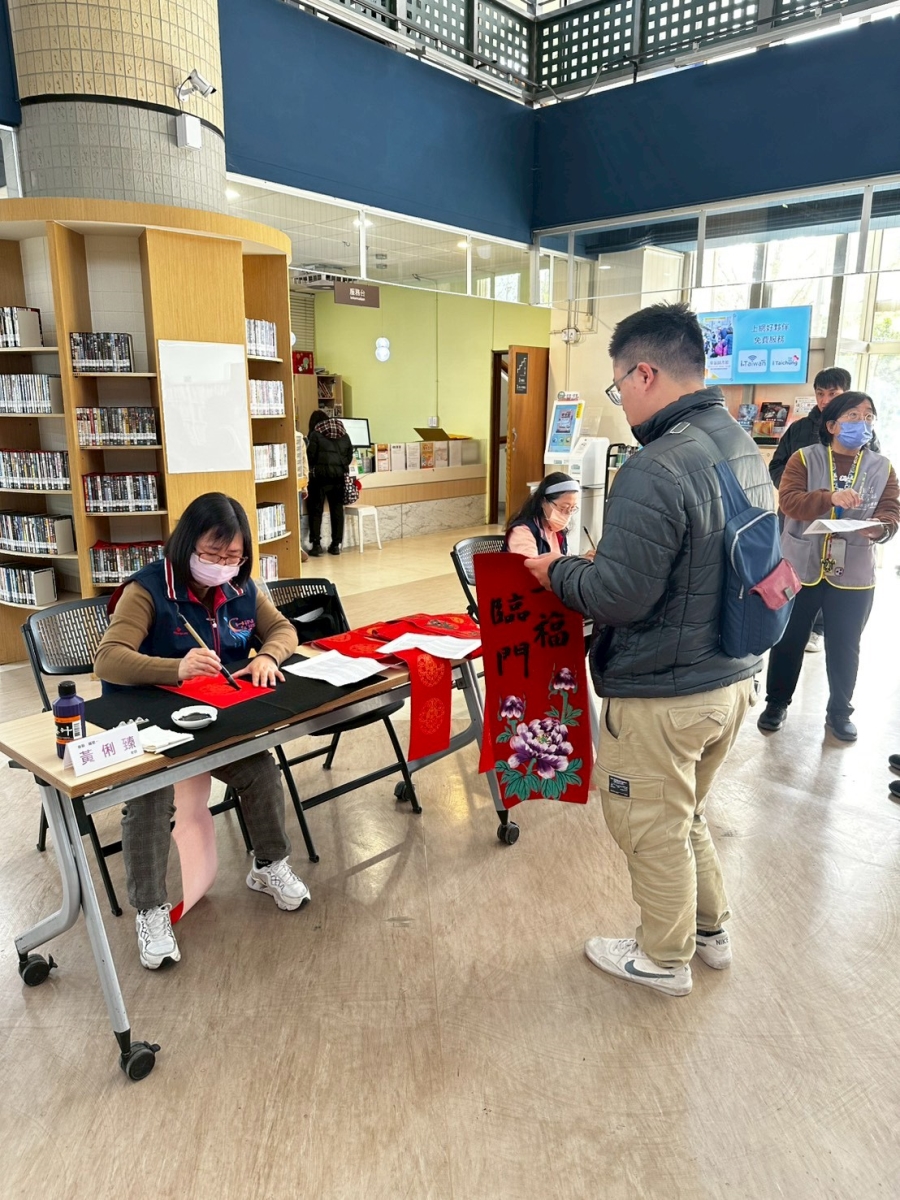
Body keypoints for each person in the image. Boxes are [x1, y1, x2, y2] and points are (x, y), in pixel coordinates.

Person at [525, 302, 772, 998]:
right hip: (731, 676)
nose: (623, 402)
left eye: (618, 386)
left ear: (644, 373)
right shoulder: (740, 443)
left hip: (667, 690)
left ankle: (664, 958)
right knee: (684, 814)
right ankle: (710, 930)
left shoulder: (655, 465)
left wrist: (558, 572)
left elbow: (618, 597)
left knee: (648, 825)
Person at [94, 492, 310, 970]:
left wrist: (267, 656)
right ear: (187, 544)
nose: (222, 566)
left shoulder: (241, 586)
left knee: (260, 770)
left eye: (233, 557)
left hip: (214, 719)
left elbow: (283, 630)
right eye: (213, 554)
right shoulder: (148, 589)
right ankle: (151, 909)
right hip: (151, 721)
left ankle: (268, 864)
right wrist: (174, 668)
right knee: (150, 796)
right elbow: (107, 659)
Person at [757, 392, 899, 742]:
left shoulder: (882, 467)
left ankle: (840, 712)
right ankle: (776, 703)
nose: (862, 423)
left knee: (846, 645)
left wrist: (881, 528)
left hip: (854, 571)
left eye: (869, 417)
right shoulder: (805, 458)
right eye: (853, 416)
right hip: (801, 567)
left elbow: (891, 511)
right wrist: (828, 498)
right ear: (832, 425)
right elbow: (789, 502)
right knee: (789, 639)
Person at [768, 367, 852, 653]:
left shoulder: (858, 431)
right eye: (820, 394)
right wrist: (795, 490)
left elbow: (869, 469)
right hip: (796, 514)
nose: (825, 400)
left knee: (830, 570)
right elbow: (776, 465)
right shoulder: (799, 429)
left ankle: (818, 629)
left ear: (846, 394)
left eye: (833, 394)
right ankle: (785, 619)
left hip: (837, 518)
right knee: (791, 566)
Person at [306, 409, 353, 557]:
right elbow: (349, 456)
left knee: (316, 510)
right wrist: (338, 467)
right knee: (337, 510)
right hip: (338, 478)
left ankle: (316, 545)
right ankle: (335, 545)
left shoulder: (315, 435)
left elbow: (309, 457)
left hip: (319, 478)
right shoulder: (344, 434)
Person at [505, 472, 582, 559]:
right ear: (544, 502)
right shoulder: (522, 531)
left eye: (572, 508)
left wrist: (582, 560)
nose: (567, 514)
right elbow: (531, 565)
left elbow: (566, 560)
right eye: (563, 508)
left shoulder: (557, 530)